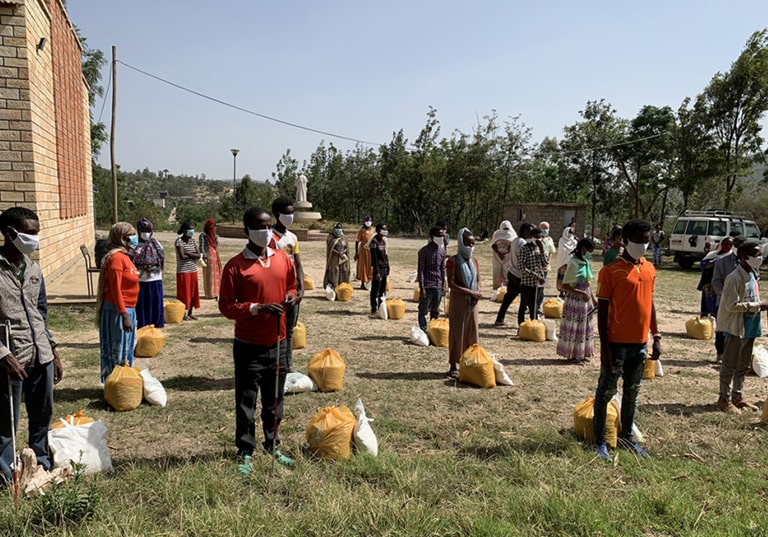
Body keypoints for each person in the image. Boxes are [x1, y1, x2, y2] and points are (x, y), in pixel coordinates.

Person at [218, 207, 298, 470]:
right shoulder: (235, 267)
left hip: (279, 340)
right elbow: (227, 306)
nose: (265, 231)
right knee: (246, 400)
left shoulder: (283, 259)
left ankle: (273, 444)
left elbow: (292, 285)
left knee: (275, 398)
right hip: (249, 345)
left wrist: (290, 295)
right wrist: (257, 308)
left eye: (268, 225)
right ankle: (245, 451)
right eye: (259, 226)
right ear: (247, 231)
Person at [0, 207, 63, 487]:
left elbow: (41, 312)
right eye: (29, 233)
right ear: (9, 233)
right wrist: (3, 354)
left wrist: (53, 351)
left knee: (42, 415)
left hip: (41, 356)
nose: (34, 239)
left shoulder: (33, 268)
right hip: (11, 359)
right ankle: (5, 476)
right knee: (5, 424)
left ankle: (41, 466)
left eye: (36, 233)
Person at [593, 219, 660, 460]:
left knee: (633, 393)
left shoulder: (650, 269)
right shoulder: (611, 271)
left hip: (640, 344)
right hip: (616, 344)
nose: (643, 246)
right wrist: (604, 348)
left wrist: (657, 336)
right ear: (624, 241)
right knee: (605, 393)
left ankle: (627, 439)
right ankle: (599, 440)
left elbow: (650, 305)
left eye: (647, 241)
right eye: (639, 241)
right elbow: (602, 311)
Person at [715, 241, 768, 414]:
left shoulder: (753, 274)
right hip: (736, 327)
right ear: (745, 257)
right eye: (757, 255)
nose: (760, 258)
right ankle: (724, 398)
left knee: (743, 365)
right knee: (729, 364)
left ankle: (738, 396)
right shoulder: (734, 278)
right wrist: (757, 305)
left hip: (751, 326)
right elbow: (731, 305)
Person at [97, 222, 139, 383]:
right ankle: (116, 382)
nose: (134, 238)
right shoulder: (116, 259)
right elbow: (115, 290)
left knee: (127, 348)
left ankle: (123, 382)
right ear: (121, 238)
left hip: (129, 309)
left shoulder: (125, 256)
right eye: (131, 235)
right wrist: (124, 315)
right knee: (118, 350)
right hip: (117, 311)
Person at [270, 197, 304, 370]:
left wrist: (301, 288)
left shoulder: (293, 237)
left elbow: (297, 263)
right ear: (278, 214)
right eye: (287, 213)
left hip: (293, 289)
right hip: (279, 290)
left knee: (289, 332)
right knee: (277, 331)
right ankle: (276, 365)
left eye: (292, 213)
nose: (291, 216)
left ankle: (287, 366)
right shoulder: (271, 237)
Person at [446, 228, 481, 379]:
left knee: (472, 331)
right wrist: (470, 292)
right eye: (468, 244)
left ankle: (470, 362)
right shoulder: (452, 261)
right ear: (461, 243)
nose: (470, 247)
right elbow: (451, 284)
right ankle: (453, 364)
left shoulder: (474, 261)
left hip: (473, 302)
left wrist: (477, 291)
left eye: (473, 244)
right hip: (459, 301)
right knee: (457, 332)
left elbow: (478, 279)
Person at [557, 238, 597, 363]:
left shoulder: (584, 262)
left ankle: (582, 353)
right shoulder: (573, 263)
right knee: (575, 326)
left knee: (584, 326)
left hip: (585, 300)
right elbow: (565, 285)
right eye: (589, 251)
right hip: (575, 300)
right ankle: (573, 354)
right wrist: (580, 293)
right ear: (583, 249)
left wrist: (593, 299)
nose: (590, 254)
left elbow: (587, 282)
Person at [712, 236, 744, 362]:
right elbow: (716, 281)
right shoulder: (722, 262)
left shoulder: (750, 263)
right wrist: (724, 295)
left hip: (743, 302)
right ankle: (720, 353)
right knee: (722, 328)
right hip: (724, 301)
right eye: (736, 245)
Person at [494, 223, 532, 326]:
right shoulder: (523, 243)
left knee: (508, 298)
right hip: (520, 275)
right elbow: (524, 260)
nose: (531, 234)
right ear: (524, 231)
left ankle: (499, 319)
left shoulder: (515, 240)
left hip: (512, 272)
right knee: (526, 301)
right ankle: (522, 324)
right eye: (530, 231)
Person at [133, 218, 165, 329]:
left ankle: (156, 325)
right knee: (143, 305)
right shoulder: (134, 245)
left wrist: (153, 267)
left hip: (155, 278)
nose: (145, 234)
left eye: (148, 231)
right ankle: (143, 326)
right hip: (141, 280)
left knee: (155, 304)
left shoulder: (156, 244)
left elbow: (161, 258)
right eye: (143, 231)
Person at [417, 226, 447, 333]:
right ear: (432, 237)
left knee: (435, 311)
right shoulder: (424, 251)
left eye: (442, 235)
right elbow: (420, 270)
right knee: (423, 311)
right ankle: (423, 330)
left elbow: (442, 269)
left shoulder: (442, 251)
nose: (441, 238)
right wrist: (422, 287)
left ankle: (433, 331)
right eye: (438, 235)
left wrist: (444, 285)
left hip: (438, 285)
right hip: (427, 285)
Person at [698, 237, 734, 319]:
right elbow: (703, 265)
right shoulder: (712, 254)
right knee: (707, 304)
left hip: (722, 285)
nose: (728, 246)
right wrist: (714, 263)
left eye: (730, 244)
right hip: (709, 284)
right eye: (726, 243)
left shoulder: (731, 257)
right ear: (721, 244)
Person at [518, 227, 548, 324]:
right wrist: (536, 276)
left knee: (534, 305)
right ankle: (521, 325)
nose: (538, 239)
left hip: (538, 284)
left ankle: (534, 324)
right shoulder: (524, 249)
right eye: (536, 237)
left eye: (540, 237)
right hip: (527, 283)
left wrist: (542, 250)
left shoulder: (540, 248)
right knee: (523, 305)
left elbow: (545, 263)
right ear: (531, 237)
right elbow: (522, 267)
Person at [175, 222, 201, 320]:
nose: (192, 231)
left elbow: (198, 255)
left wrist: (188, 253)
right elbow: (182, 256)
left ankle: (190, 312)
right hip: (183, 270)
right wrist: (193, 254)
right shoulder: (179, 241)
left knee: (193, 292)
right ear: (184, 231)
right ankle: (183, 313)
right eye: (190, 229)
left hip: (193, 270)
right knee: (184, 292)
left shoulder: (193, 241)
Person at [368, 223, 390, 318]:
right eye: (382, 229)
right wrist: (377, 272)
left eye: (385, 229)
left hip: (384, 268)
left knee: (383, 289)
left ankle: (381, 306)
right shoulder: (374, 242)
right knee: (375, 289)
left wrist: (388, 266)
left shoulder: (383, 241)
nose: (384, 231)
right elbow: (375, 258)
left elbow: (385, 255)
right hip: (378, 269)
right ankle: (374, 308)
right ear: (377, 230)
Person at [199, 218, 222, 300]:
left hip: (215, 255)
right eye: (212, 226)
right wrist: (204, 256)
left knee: (217, 274)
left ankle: (216, 292)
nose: (213, 227)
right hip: (208, 256)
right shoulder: (203, 235)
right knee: (209, 275)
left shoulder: (214, 235)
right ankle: (209, 293)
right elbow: (201, 246)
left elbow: (216, 244)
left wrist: (215, 237)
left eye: (214, 225)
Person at [538, 221, 557, 314]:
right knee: (534, 287)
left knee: (542, 287)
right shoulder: (536, 239)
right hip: (536, 266)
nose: (545, 230)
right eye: (543, 228)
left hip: (545, 267)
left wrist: (547, 263)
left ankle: (538, 306)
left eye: (546, 228)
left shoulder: (550, 240)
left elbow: (550, 252)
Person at [324, 223, 351, 288]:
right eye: (337, 228)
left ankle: (342, 287)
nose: (338, 229)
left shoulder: (344, 237)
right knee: (334, 271)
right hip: (334, 258)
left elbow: (346, 247)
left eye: (340, 228)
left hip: (343, 258)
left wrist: (343, 252)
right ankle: (334, 287)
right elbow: (330, 247)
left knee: (343, 271)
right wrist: (337, 252)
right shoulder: (331, 237)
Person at [490, 220, 515, 290]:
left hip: (508, 256)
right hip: (497, 256)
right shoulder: (496, 234)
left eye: (507, 229)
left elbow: (513, 245)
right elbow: (493, 244)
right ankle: (497, 289)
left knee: (507, 273)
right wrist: (499, 253)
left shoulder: (512, 234)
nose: (506, 230)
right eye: (504, 229)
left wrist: (505, 253)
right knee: (496, 272)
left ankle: (507, 289)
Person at [354, 216, 375, 290]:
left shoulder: (373, 230)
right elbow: (357, 242)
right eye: (367, 221)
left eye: (369, 221)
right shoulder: (361, 231)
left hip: (371, 251)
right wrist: (356, 253)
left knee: (371, 266)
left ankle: (369, 282)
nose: (368, 223)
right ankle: (362, 283)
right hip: (363, 251)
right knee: (363, 266)